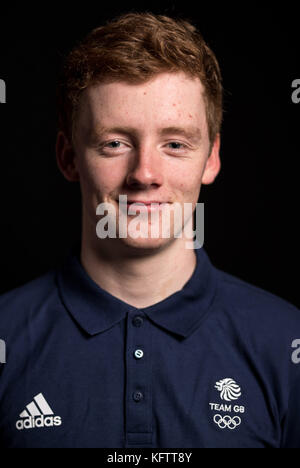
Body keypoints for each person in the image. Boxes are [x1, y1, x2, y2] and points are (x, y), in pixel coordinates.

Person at [0, 11, 299, 449]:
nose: (144, 174)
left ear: (211, 159)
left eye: (175, 144)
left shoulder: (286, 341)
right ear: (68, 157)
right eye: (115, 143)